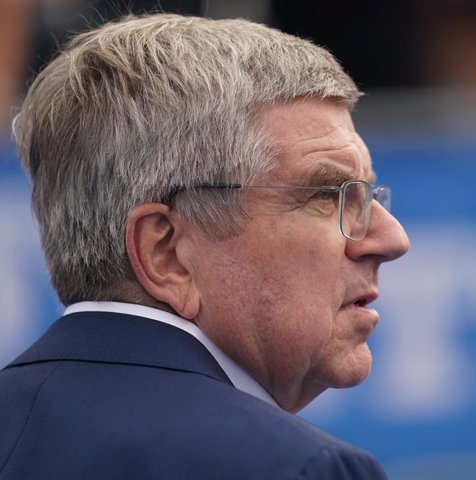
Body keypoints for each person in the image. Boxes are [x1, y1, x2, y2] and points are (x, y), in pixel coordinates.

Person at [0, 13, 409, 479]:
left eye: (366, 195)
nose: (392, 239)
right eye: (326, 195)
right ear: (167, 254)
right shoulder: (297, 467)